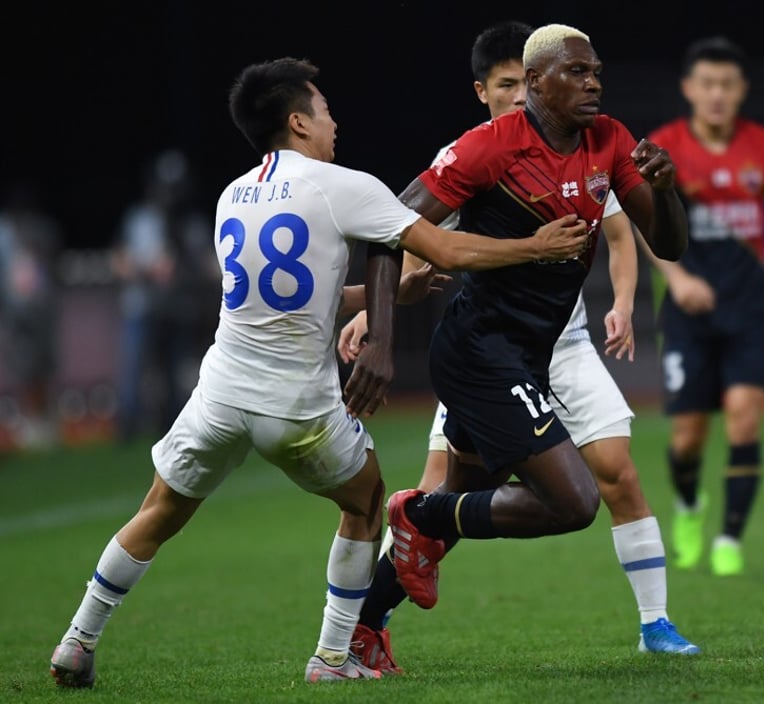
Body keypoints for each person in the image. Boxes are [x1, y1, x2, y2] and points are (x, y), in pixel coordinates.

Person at [48, 56, 589, 689]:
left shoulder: (233, 194)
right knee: (365, 502)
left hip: (219, 393)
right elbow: (445, 246)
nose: (336, 122)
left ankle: (76, 642)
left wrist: (387, 297)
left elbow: (285, 297)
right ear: (299, 122)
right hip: (295, 406)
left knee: (160, 508)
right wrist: (535, 247)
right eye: (326, 110)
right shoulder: (344, 185)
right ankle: (332, 658)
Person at [336, 20, 699, 672]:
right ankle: (416, 513)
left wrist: (669, 191)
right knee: (574, 502)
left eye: (596, 73)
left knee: (453, 517)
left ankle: (359, 634)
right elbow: (390, 229)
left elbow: (668, 243)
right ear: (534, 84)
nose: (593, 83)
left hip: (527, 354)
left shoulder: (608, 139)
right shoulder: (491, 147)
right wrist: (383, 340)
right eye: (577, 72)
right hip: (480, 351)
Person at [642, 36, 764, 576]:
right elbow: (648, 224)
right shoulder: (664, 148)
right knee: (688, 436)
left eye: (727, 85)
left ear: (742, 91)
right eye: (707, 84)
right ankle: (690, 507)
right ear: (689, 89)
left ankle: (730, 540)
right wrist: (678, 278)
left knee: (743, 419)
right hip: (689, 310)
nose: (717, 94)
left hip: (749, 303)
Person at [110, 149, 220, 442]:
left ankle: (171, 426)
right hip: (142, 306)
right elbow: (118, 260)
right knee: (134, 369)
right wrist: (146, 268)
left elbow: (211, 265)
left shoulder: (193, 225)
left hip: (179, 309)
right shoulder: (138, 219)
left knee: (174, 375)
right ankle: (127, 429)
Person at [0, 182, 63, 450]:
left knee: (44, 369)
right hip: (18, 314)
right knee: (25, 370)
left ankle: (47, 425)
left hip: (41, 314)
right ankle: (31, 426)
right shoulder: (5, 235)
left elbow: (50, 269)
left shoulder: (43, 232)